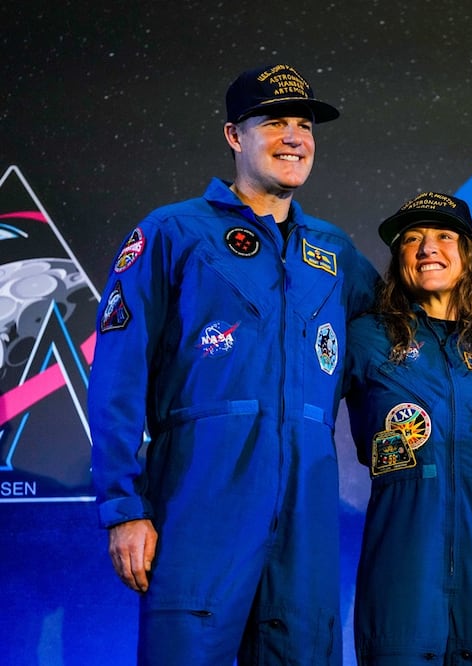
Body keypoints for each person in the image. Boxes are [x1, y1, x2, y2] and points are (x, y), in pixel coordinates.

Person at [87, 63, 379, 665]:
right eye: (275, 122)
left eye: (304, 124)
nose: (296, 137)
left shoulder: (333, 252)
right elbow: (118, 374)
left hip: (305, 508)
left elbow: (412, 327)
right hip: (201, 500)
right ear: (233, 136)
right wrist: (124, 508)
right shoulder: (173, 232)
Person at [344, 191, 472, 665]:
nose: (428, 248)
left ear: (467, 253)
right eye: (412, 240)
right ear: (397, 258)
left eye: (444, 236)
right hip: (401, 562)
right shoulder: (365, 337)